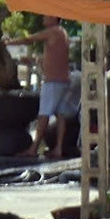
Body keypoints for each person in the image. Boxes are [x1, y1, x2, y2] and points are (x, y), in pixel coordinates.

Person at [15, 15, 74, 159]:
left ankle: (34, 148)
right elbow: (54, 58)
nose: (43, 18)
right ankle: (58, 148)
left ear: (54, 18)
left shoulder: (53, 31)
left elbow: (30, 39)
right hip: (63, 80)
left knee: (44, 114)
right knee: (60, 114)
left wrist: (10, 42)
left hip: (53, 82)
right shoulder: (62, 33)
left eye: (46, 16)